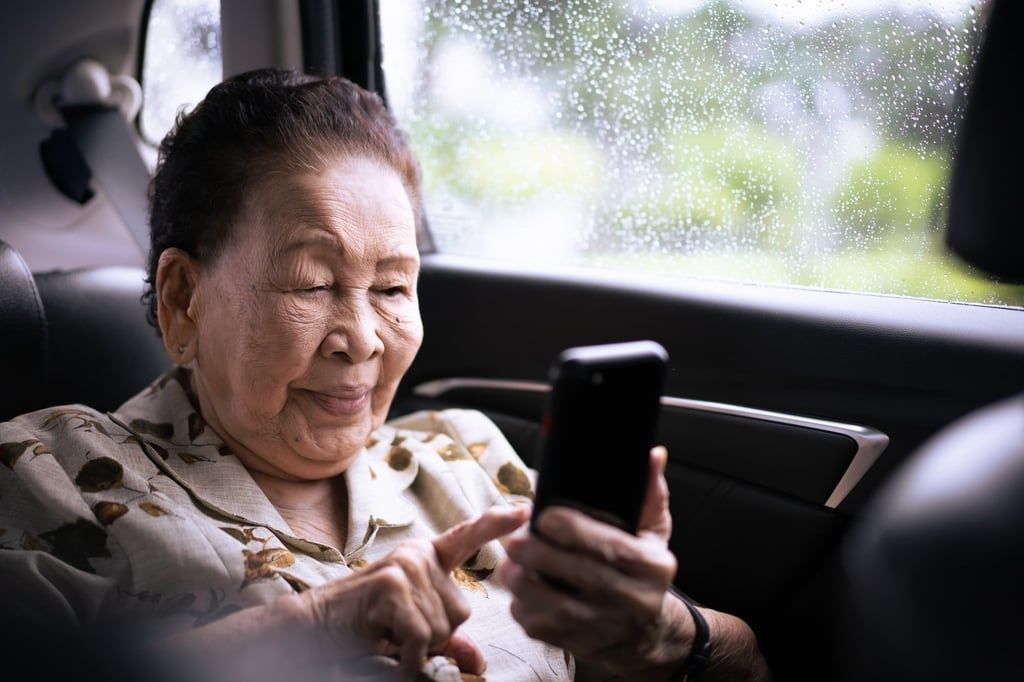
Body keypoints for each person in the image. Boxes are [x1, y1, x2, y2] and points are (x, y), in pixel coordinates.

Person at [0, 69, 769, 681]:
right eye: (312, 284)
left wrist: (666, 635)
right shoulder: (45, 473)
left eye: (394, 288)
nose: (363, 339)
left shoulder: (466, 459)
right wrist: (306, 633)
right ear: (183, 300)